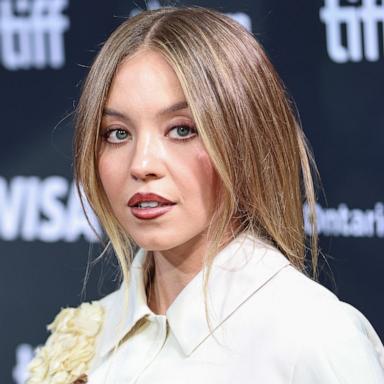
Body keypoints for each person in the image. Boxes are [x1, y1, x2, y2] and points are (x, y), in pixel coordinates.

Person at [27, 6, 384, 384]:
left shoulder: (312, 338)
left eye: (182, 130)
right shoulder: (82, 338)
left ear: (246, 139)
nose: (142, 163)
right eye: (117, 133)